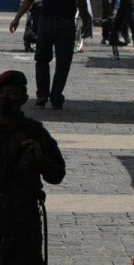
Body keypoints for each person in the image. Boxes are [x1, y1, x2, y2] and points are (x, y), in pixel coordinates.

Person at [9, 0, 90, 109]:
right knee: (63, 62)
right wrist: (86, 25)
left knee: (42, 60)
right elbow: (82, 5)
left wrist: (17, 18)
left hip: (45, 23)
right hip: (66, 24)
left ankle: (42, 94)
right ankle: (56, 96)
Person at [0, 70, 66, 264]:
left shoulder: (34, 131)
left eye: (13, 94)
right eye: (3, 93)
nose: (6, 99)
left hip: (24, 218)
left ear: (23, 98)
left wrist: (40, 158)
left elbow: (57, 174)